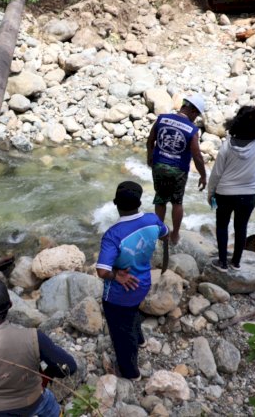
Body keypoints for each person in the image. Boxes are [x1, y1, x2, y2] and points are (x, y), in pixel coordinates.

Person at [0, 277, 77, 416]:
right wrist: (47, 374)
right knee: (49, 402)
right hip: (32, 404)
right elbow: (69, 367)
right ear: (10, 304)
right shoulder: (34, 337)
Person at [96, 181, 169, 381]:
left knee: (121, 335)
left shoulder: (113, 235)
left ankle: (130, 373)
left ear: (115, 204)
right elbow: (165, 234)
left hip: (120, 292)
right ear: (139, 201)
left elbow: (102, 271)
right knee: (132, 311)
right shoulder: (152, 220)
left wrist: (116, 274)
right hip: (143, 282)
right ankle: (140, 340)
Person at [207, 106, 255, 272]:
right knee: (241, 228)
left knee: (222, 226)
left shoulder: (227, 146)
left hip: (225, 194)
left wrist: (210, 192)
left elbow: (216, 174)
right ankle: (236, 262)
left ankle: (222, 262)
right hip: (249, 194)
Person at [146, 95, 207, 246]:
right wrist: (203, 175)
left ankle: (159, 232)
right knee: (177, 202)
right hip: (178, 170)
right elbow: (197, 155)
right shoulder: (192, 130)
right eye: (197, 115)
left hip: (159, 165)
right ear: (193, 111)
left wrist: (150, 156)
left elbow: (150, 140)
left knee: (160, 199)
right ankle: (175, 235)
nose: (196, 118)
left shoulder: (162, 119)